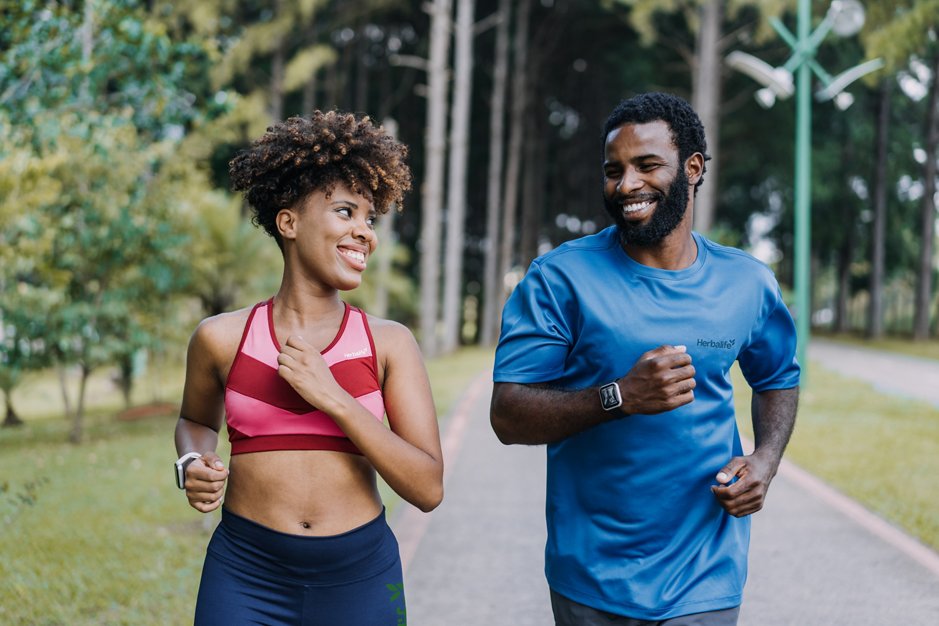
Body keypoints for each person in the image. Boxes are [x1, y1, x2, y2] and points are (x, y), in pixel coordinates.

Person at [490, 92, 800, 625]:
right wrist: (620, 396)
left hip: (707, 571)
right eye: (614, 170)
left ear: (693, 168)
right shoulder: (560, 279)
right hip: (592, 574)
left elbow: (777, 377)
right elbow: (508, 415)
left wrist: (766, 460)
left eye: (647, 165)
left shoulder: (746, 282)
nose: (627, 184)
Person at [173, 111, 443, 626]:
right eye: (346, 212)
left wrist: (334, 398)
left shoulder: (389, 344)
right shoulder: (220, 338)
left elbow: (428, 488)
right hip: (244, 576)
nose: (365, 233)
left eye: (370, 219)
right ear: (289, 223)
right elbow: (195, 421)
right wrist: (191, 462)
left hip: (360, 578)